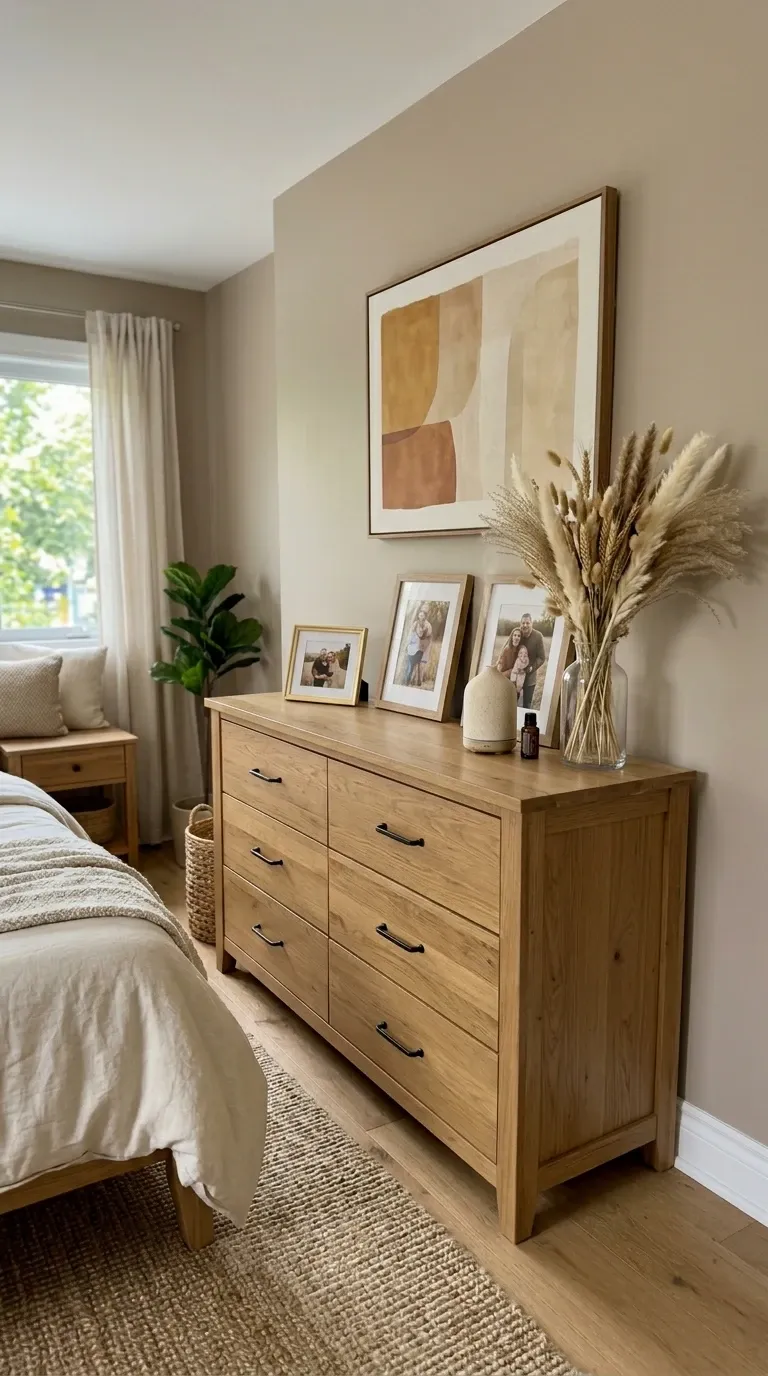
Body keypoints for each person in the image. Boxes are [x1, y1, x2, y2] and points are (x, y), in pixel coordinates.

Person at [518, 613, 546, 708]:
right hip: (516, 676)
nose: (525, 625)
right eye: (523, 623)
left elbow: (541, 657)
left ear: (531, 623)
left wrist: (531, 668)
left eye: (527, 623)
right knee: (512, 703)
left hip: (530, 678)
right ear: (520, 624)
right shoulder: (517, 634)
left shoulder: (538, 636)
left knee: (527, 704)